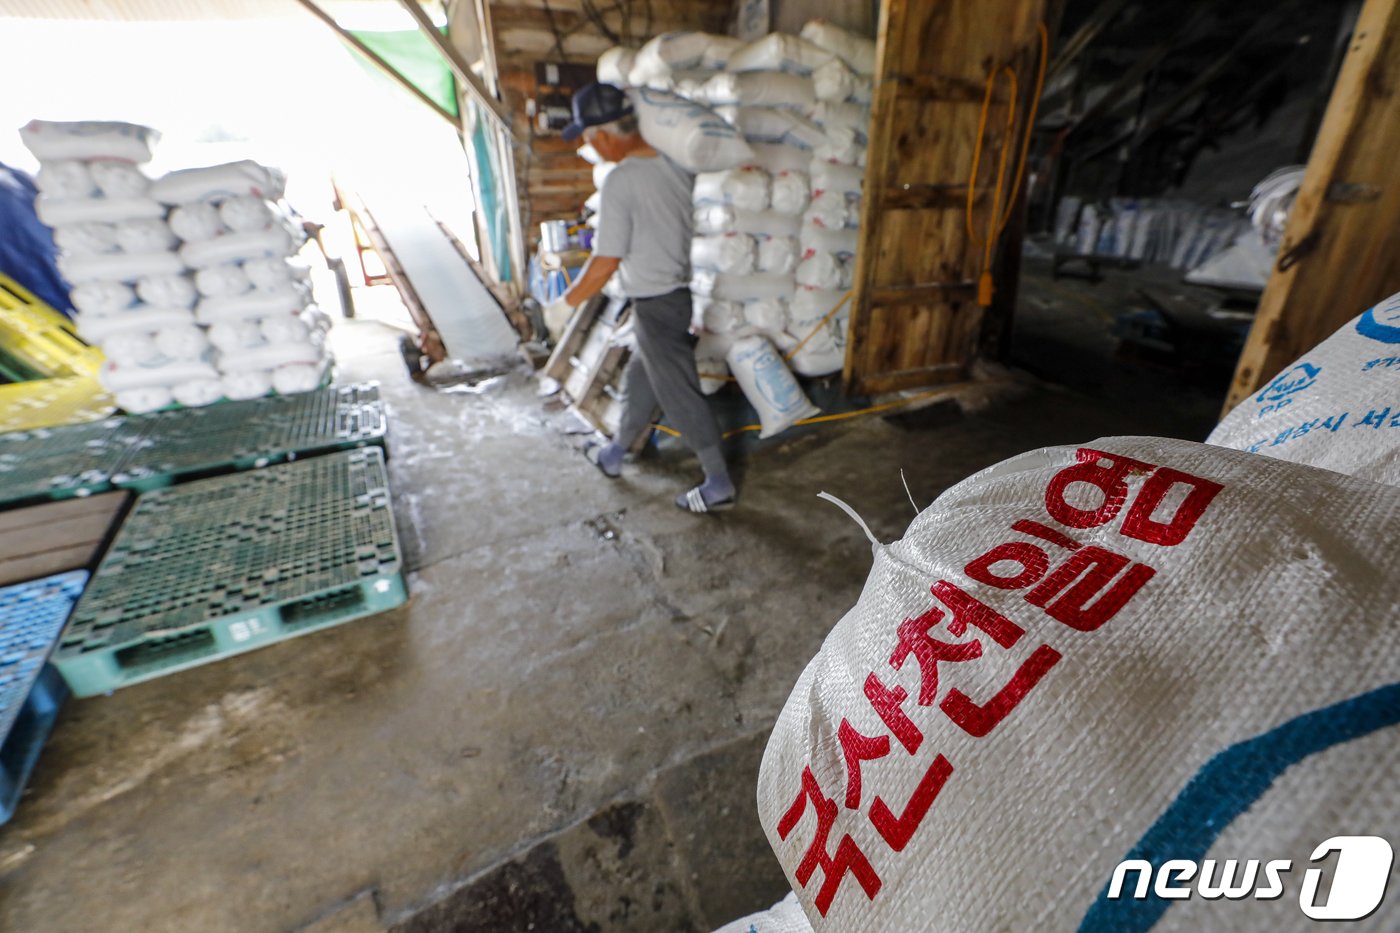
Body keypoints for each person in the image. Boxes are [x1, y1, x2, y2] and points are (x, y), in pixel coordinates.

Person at [557, 82, 735, 514]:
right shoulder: (673, 164)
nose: (589, 147)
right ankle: (615, 454)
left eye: (587, 138)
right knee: (642, 378)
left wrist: (569, 299)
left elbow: (606, 259)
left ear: (603, 134)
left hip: (656, 303)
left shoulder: (620, 181)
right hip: (675, 297)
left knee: (678, 392)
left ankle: (718, 483)